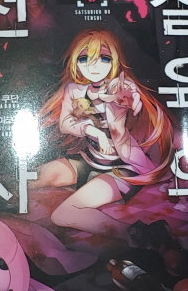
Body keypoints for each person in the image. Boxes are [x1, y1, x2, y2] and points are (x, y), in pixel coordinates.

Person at [35, 29, 173, 240]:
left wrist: (124, 104)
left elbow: (132, 106)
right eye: (84, 58)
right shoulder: (74, 89)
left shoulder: (122, 88)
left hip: (124, 167)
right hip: (90, 160)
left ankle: (142, 236)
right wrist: (92, 131)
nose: (93, 65)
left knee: (63, 214)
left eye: (104, 58)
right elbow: (65, 124)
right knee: (34, 178)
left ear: (115, 61)